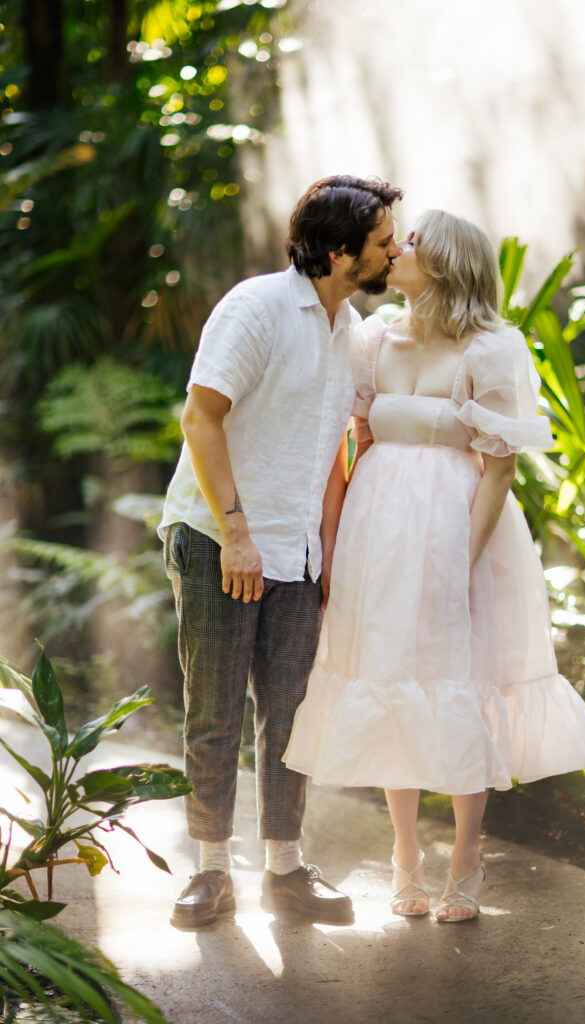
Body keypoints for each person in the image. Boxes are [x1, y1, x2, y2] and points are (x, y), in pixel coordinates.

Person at [283, 210, 585, 923]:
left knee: (456, 678)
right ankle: (406, 855)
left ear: (446, 265)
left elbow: (498, 471)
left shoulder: (492, 348)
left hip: (460, 528)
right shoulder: (371, 339)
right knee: (392, 676)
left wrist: (457, 561)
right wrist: (338, 547)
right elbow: (357, 442)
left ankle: (467, 853)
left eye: (411, 244)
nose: (395, 250)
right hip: (380, 529)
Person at [159, 174, 403, 929]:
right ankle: (208, 872)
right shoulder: (257, 307)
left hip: (296, 556)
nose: (394, 252)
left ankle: (284, 870)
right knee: (217, 711)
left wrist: (326, 554)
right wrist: (235, 532)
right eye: (383, 242)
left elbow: (332, 446)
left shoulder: (347, 331)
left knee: (291, 717)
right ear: (339, 252)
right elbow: (201, 419)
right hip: (217, 542)